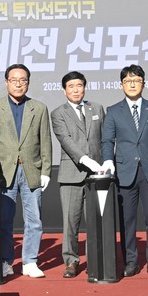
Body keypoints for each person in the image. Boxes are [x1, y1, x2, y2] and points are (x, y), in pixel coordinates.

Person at [0, 63, 52, 278]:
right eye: (14, 80)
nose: (19, 84)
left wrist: (46, 171)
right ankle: (6, 261)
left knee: (34, 220)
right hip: (5, 172)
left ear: (28, 83)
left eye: (23, 80)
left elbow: (45, 141)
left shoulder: (39, 108)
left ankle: (30, 261)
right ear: (6, 83)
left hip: (32, 170)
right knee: (4, 220)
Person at [102, 65, 148, 277]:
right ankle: (130, 261)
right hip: (124, 172)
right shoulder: (113, 111)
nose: (132, 85)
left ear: (143, 83)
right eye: (128, 81)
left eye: (136, 80)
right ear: (121, 84)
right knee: (127, 220)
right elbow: (107, 141)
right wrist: (108, 161)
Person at [50, 71, 105, 278]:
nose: (76, 90)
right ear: (64, 90)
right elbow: (66, 141)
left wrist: (105, 163)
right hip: (71, 174)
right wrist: (85, 160)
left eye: (79, 85)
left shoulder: (96, 108)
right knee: (70, 223)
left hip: (97, 175)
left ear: (84, 87)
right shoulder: (58, 113)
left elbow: (104, 138)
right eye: (71, 86)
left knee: (95, 221)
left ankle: (95, 260)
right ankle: (71, 261)